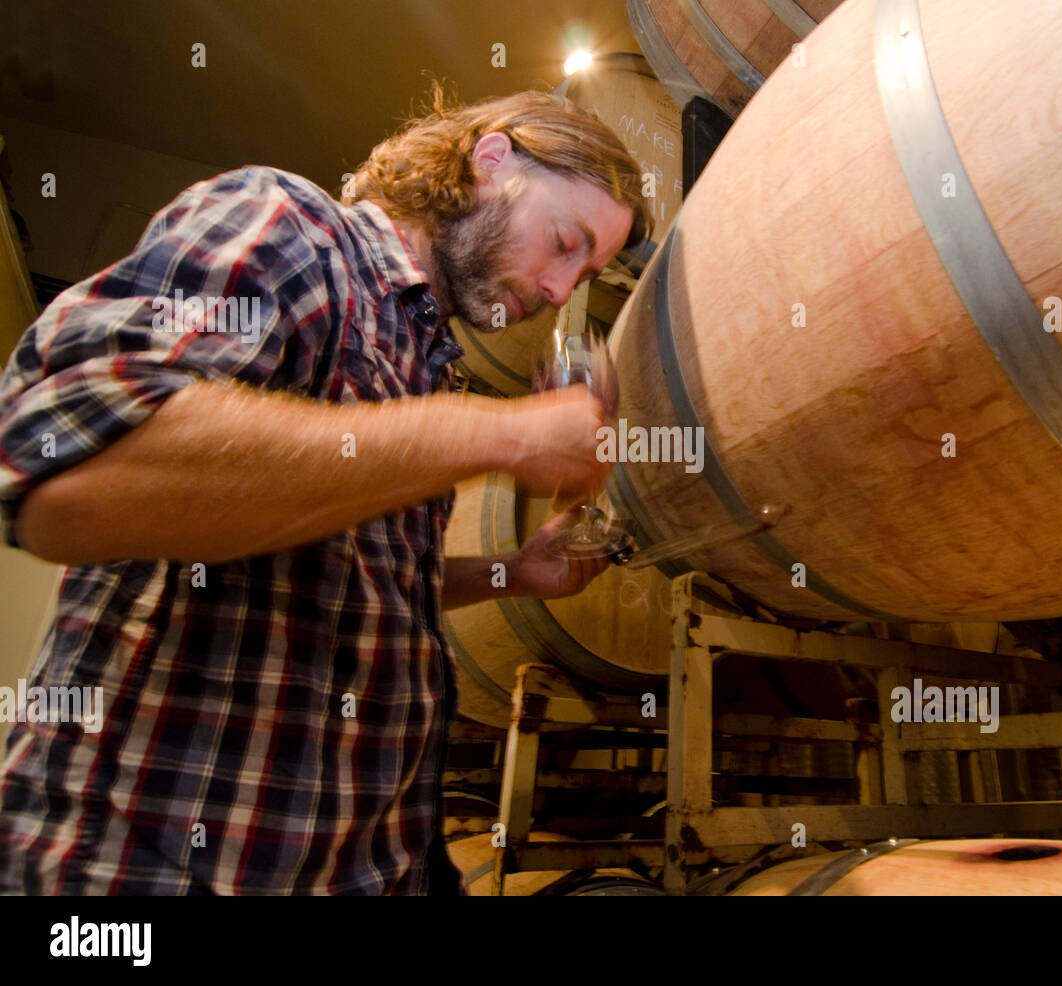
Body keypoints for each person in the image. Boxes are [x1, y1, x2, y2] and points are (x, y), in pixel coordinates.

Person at [0, 84, 653, 894]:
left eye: (584, 269)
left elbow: (358, 582)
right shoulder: (293, 229)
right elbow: (70, 479)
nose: (560, 290)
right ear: (490, 162)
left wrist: (514, 573)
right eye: (565, 241)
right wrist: (504, 432)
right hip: (154, 867)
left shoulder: (421, 366)